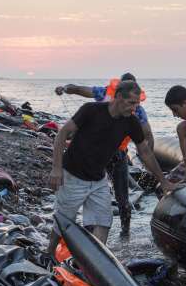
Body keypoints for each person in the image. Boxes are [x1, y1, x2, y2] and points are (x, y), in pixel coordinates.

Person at [48, 81, 176, 253]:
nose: (135, 107)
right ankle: (48, 253)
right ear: (117, 97)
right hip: (73, 175)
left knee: (103, 221)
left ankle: (96, 260)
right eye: (131, 102)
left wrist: (163, 181)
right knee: (62, 221)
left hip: (98, 179)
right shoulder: (91, 110)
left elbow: (145, 152)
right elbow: (62, 134)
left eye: (137, 103)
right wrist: (56, 169)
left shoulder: (131, 122)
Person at [55, 72, 153, 234]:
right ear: (120, 93)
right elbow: (79, 89)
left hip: (117, 155)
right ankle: (94, 230)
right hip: (98, 155)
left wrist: (147, 160)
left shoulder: (135, 109)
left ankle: (124, 232)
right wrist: (65, 89)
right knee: (111, 195)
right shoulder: (108, 95)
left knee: (122, 197)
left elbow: (147, 136)